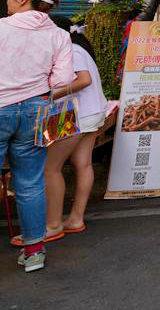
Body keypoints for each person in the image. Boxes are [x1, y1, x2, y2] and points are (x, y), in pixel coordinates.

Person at [0, 0, 75, 273]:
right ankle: (34, 252)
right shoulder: (60, 36)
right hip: (37, 109)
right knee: (30, 183)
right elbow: (62, 81)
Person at [39, 17, 107, 242]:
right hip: (91, 113)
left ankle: (53, 225)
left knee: (51, 168)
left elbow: (83, 80)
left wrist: (48, 95)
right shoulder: (79, 48)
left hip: (77, 115)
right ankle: (75, 218)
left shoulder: (72, 50)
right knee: (83, 164)